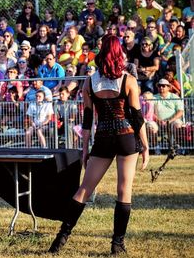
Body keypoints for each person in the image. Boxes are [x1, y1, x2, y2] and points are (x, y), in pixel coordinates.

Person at [48, 35, 149, 255]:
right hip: (125, 137)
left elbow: (86, 121)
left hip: (102, 138)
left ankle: (60, 240)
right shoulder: (128, 80)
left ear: (102, 52)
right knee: (124, 191)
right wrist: (145, 145)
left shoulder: (90, 81)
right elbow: (136, 117)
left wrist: (85, 149)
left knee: (84, 190)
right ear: (118, 53)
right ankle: (117, 244)